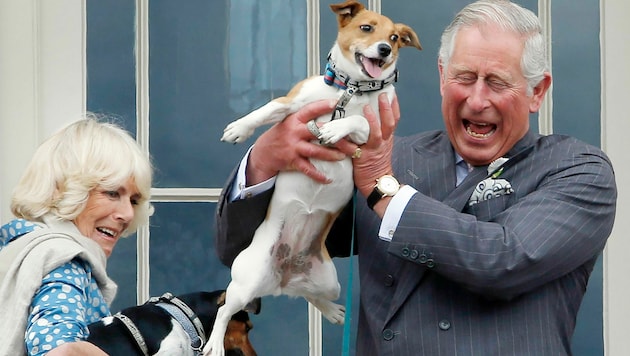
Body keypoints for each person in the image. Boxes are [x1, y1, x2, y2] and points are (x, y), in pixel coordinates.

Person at [215, 0, 617, 355]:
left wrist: (380, 184)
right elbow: (241, 246)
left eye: (497, 82)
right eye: (464, 77)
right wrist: (266, 161)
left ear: (537, 91)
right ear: (442, 76)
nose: (477, 100)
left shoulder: (579, 171)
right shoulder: (394, 155)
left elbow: (503, 261)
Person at [0, 116, 153, 356]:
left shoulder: (15, 248)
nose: (127, 214)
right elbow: (60, 350)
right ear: (63, 189)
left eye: (134, 201)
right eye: (112, 193)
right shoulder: (64, 259)